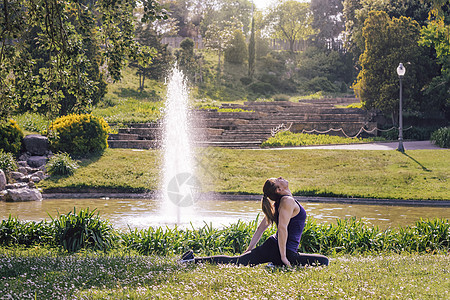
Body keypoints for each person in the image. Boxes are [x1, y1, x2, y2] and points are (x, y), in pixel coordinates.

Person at [179, 177, 329, 267]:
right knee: (324, 262)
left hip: (275, 247)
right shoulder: (287, 202)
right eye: (278, 180)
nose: (281, 178)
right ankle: (276, 262)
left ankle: (192, 260)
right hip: (284, 251)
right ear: (279, 189)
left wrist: (251, 248)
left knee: (237, 262)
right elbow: (282, 229)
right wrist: (284, 257)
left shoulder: (281, 203)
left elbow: (262, 227)